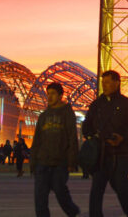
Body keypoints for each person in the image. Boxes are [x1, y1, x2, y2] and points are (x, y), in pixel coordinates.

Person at [82, 70, 128, 217]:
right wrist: (94, 136)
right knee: (96, 189)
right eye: (103, 82)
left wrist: (122, 137)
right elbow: (86, 127)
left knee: (121, 188)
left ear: (117, 83)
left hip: (120, 154)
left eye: (108, 82)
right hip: (101, 154)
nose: (104, 85)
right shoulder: (96, 105)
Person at [31, 82, 81, 217]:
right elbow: (37, 140)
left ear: (60, 95)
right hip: (42, 162)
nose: (50, 97)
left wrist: (72, 161)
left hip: (60, 162)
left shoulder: (67, 114)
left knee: (60, 190)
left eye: (53, 94)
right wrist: (33, 161)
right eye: (48, 94)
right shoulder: (43, 116)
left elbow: (72, 137)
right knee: (40, 197)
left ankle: (72, 211)